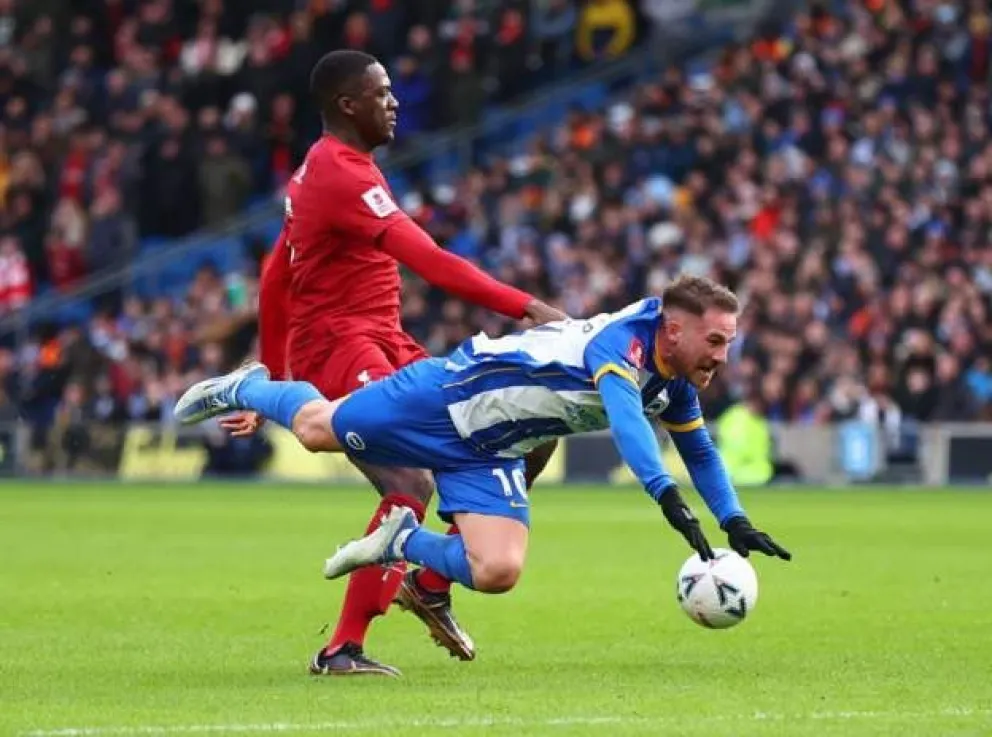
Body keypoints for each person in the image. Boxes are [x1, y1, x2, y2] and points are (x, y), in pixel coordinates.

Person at [223, 49, 565, 676]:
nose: (396, 100)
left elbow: (277, 273)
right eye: (381, 91)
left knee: (521, 425)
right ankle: (342, 648)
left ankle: (432, 580)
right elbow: (431, 261)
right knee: (409, 483)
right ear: (347, 104)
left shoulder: (331, 169)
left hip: (385, 340)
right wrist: (528, 307)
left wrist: (272, 372)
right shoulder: (340, 174)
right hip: (341, 348)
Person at [176, 275, 790, 613]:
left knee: (497, 571)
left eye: (729, 343)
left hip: (491, 446)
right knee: (315, 430)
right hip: (447, 396)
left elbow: (702, 452)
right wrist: (664, 493)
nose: (723, 356)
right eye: (715, 341)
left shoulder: (675, 378)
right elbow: (628, 422)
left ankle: (400, 543)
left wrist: (734, 520)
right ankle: (252, 385)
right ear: (675, 330)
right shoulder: (620, 347)